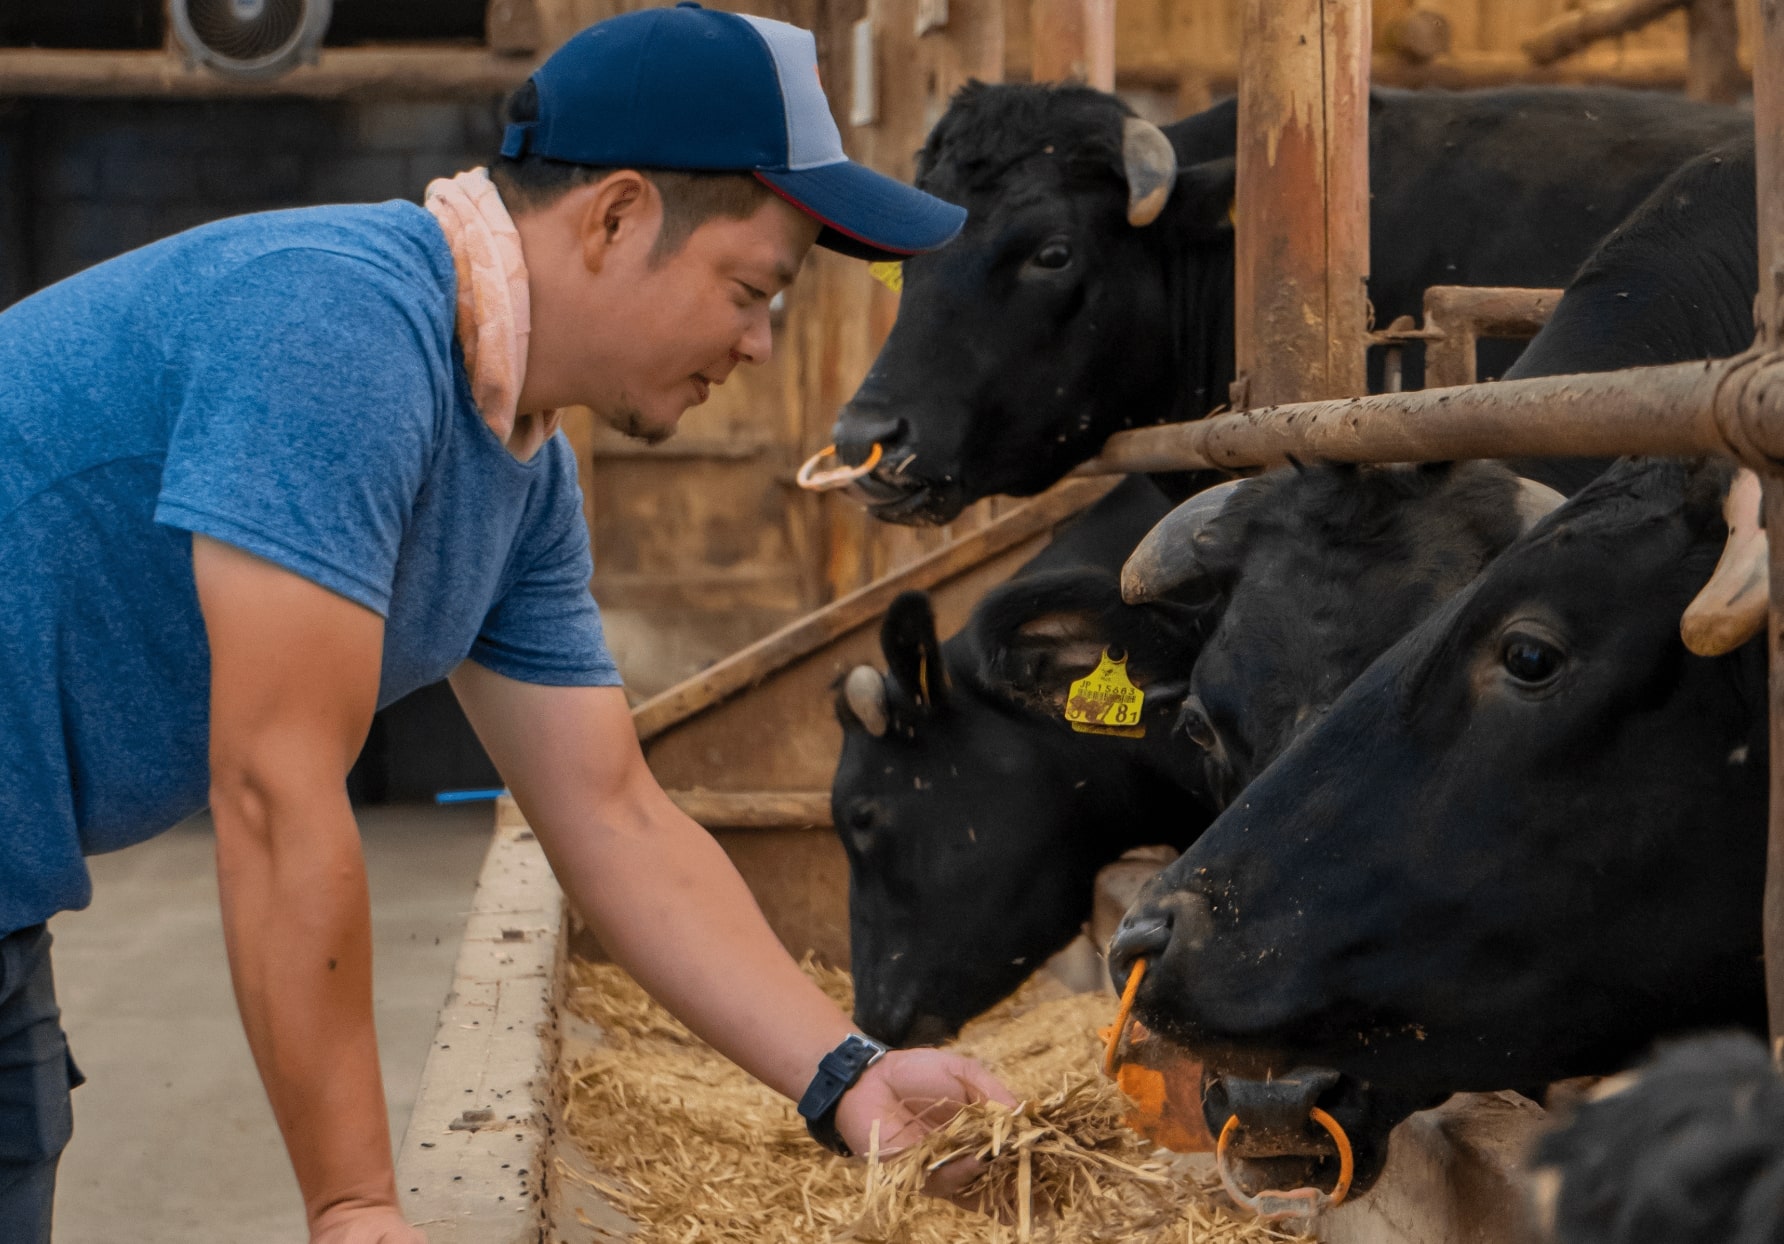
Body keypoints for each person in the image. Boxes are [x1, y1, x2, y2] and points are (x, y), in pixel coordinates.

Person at [0, 6, 1017, 1241]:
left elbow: (608, 809)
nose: (758, 344)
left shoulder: (520, 470)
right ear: (615, 218)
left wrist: (848, 1074)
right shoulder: (343, 331)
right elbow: (273, 789)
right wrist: (358, 1204)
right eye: (751, 290)